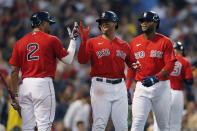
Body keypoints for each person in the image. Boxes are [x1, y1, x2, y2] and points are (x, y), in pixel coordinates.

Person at [9, 11, 79, 131]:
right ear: (41, 23)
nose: (49, 26)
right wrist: (73, 40)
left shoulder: (20, 42)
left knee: (27, 127)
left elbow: (14, 72)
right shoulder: (51, 39)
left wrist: (14, 95)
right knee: (44, 126)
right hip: (42, 85)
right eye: (48, 23)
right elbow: (68, 59)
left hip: (25, 86)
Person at [77, 11, 139, 131]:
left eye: (107, 21)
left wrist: (128, 85)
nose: (103, 24)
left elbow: (133, 65)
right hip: (100, 85)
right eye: (101, 22)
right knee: (99, 124)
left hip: (120, 86)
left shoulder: (124, 45)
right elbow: (82, 60)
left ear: (115, 24)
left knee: (122, 126)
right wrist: (84, 40)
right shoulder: (92, 42)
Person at [127, 11, 176, 131]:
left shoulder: (165, 41)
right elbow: (132, 67)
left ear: (155, 23)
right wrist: (127, 87)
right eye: (142, 21)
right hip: (141, 87)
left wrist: (156, 77)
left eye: (147, 21)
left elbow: (170, 64)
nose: (143, 23)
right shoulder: (134, 42)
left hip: (161, 87)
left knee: (162, 126)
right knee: (137, 123)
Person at [153, 41, 194, 131]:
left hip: (162, 92)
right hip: (177, 93)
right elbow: (189, 81)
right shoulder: (185, 61)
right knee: (175, 125)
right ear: (181, 51)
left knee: (158, 123)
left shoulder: (162, 58)